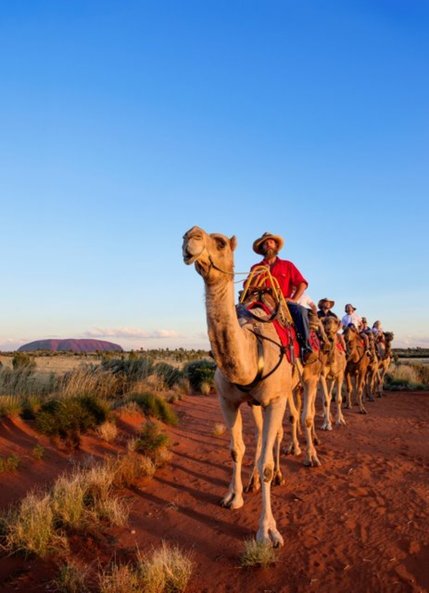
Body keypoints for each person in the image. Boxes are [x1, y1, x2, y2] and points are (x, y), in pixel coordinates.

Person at [244, 231, 317, 363]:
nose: (268, 245)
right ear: (262, 249)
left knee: (301, 312)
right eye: (265, 244)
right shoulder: (256, 267)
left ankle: (306, 348)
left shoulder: (287, 265)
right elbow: (247, 287)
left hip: (281, 302)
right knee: (236, 312)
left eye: (271, 242)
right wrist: (257, 277)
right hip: (260, 302)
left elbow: (302, 283)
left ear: (276, 246)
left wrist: (294, 299)